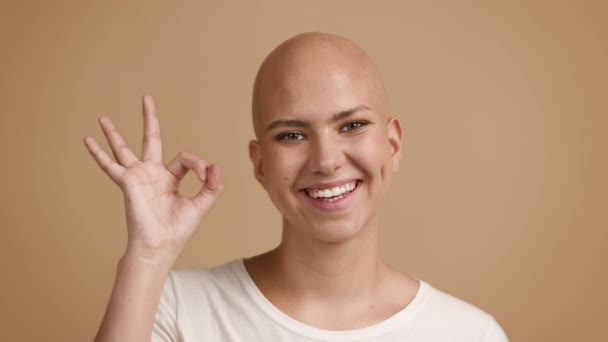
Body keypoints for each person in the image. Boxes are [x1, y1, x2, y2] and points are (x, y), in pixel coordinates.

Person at [84, 32, 508, 341]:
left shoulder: (469, 333)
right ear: (261, 164)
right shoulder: (176, 306)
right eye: (292, 135)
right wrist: (148, 256)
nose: (326, 161)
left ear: (392, 144)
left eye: (353, 125)